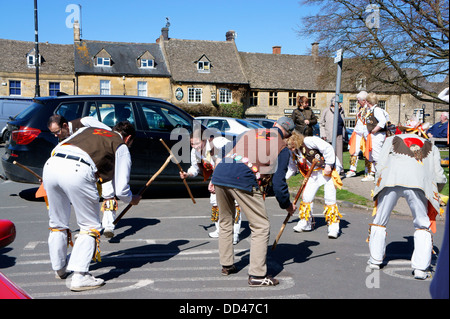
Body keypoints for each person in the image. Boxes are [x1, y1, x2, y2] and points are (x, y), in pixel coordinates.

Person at [43, 121, 141, 291]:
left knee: (57, 222)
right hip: (78, 170)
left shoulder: (87, 130)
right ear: (129, 138)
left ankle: (59, 268)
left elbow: (60, 145)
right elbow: (122, 188)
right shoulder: (121, 146)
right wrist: (132, 199)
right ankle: (80, 276)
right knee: (90, 225)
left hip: (51, 164)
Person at [211, 117, 296, 286]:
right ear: (288, 134)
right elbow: (279, 185)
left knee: (226, 220)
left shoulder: (249, 132)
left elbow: (227, 151)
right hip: (243, 178)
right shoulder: (282, 147)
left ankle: (227, 265)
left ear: (275, 125)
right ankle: (257, 275)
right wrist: (287, 205)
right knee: (260, 226)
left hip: (220, 173)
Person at [367, 122, 447, 279]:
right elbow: (439, 175)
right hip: (418, 184)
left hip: (391, 180)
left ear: (403, 130)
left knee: (380, 219)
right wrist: (437, 190)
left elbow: (381, 163)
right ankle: (420, 269)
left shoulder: (391, 140)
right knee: (422, 224)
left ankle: (375, 260)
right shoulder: (431, 146)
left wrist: (378, 185)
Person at [47, 115, 118, 238]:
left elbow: (109, 133)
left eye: (57, 132)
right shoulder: (63, 138)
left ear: (65, 125)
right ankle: (87, 228)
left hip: (102, 161)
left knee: (108, 193)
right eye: (53, 133)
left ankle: (108, 226)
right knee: (84, 198)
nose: (55, 135)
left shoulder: (85, 122)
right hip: (83, 170)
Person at [180, 132, 242, 244]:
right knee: (215, 203)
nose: (195, 147)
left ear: (204, 140)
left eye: (197, 143)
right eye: (192, 144)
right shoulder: (195, 152)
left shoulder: (218, 142)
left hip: (232, 175)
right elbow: (195, 169)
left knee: (236, 205)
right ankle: (220, 230)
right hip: (216, 178)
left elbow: (234, 150)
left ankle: (235, 233)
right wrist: (187, 174)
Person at [286, 131, 343, 239]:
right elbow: (292, 167)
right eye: (289, 146)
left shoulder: (310, 141)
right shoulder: (293, 152)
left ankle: (333, 227)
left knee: (329, 198)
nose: (291, 148)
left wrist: (329, 165)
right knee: (307, 196)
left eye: (291, 145)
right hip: (314, 173)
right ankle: (306, 223)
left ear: (296, 140)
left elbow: (328, 148)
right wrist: (283, 178)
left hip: (329, 170)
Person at [346, 91, 374, 178]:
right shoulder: (360, 109)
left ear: (364, 100)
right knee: (354, 151)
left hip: (365, 133)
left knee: (367, 152)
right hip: (358, 132)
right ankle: (352, 169)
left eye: (359, 100)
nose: (357, 102)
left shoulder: (369, 109)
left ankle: (368, 171)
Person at [363, 92, 388, 182]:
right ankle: (373, 173)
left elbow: (383, 121)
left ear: (368, 101)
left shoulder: (376, 110)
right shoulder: (371, 110)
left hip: (377, 135)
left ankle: (380, 175)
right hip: (373, 135)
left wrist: (375, 130)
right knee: (372, 155)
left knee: (376, 155)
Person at [319, 96, 346, 168]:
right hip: (329, 135)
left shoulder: (341, 111)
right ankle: (329, 168)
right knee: (330, 153)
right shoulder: (327, 110)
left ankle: (340, 169)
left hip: (339, 135)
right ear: (334, 103)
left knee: (339, 154)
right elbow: (321, 123)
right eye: (339, 103)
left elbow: (343, 123)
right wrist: (323, 134)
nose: (340, 105)